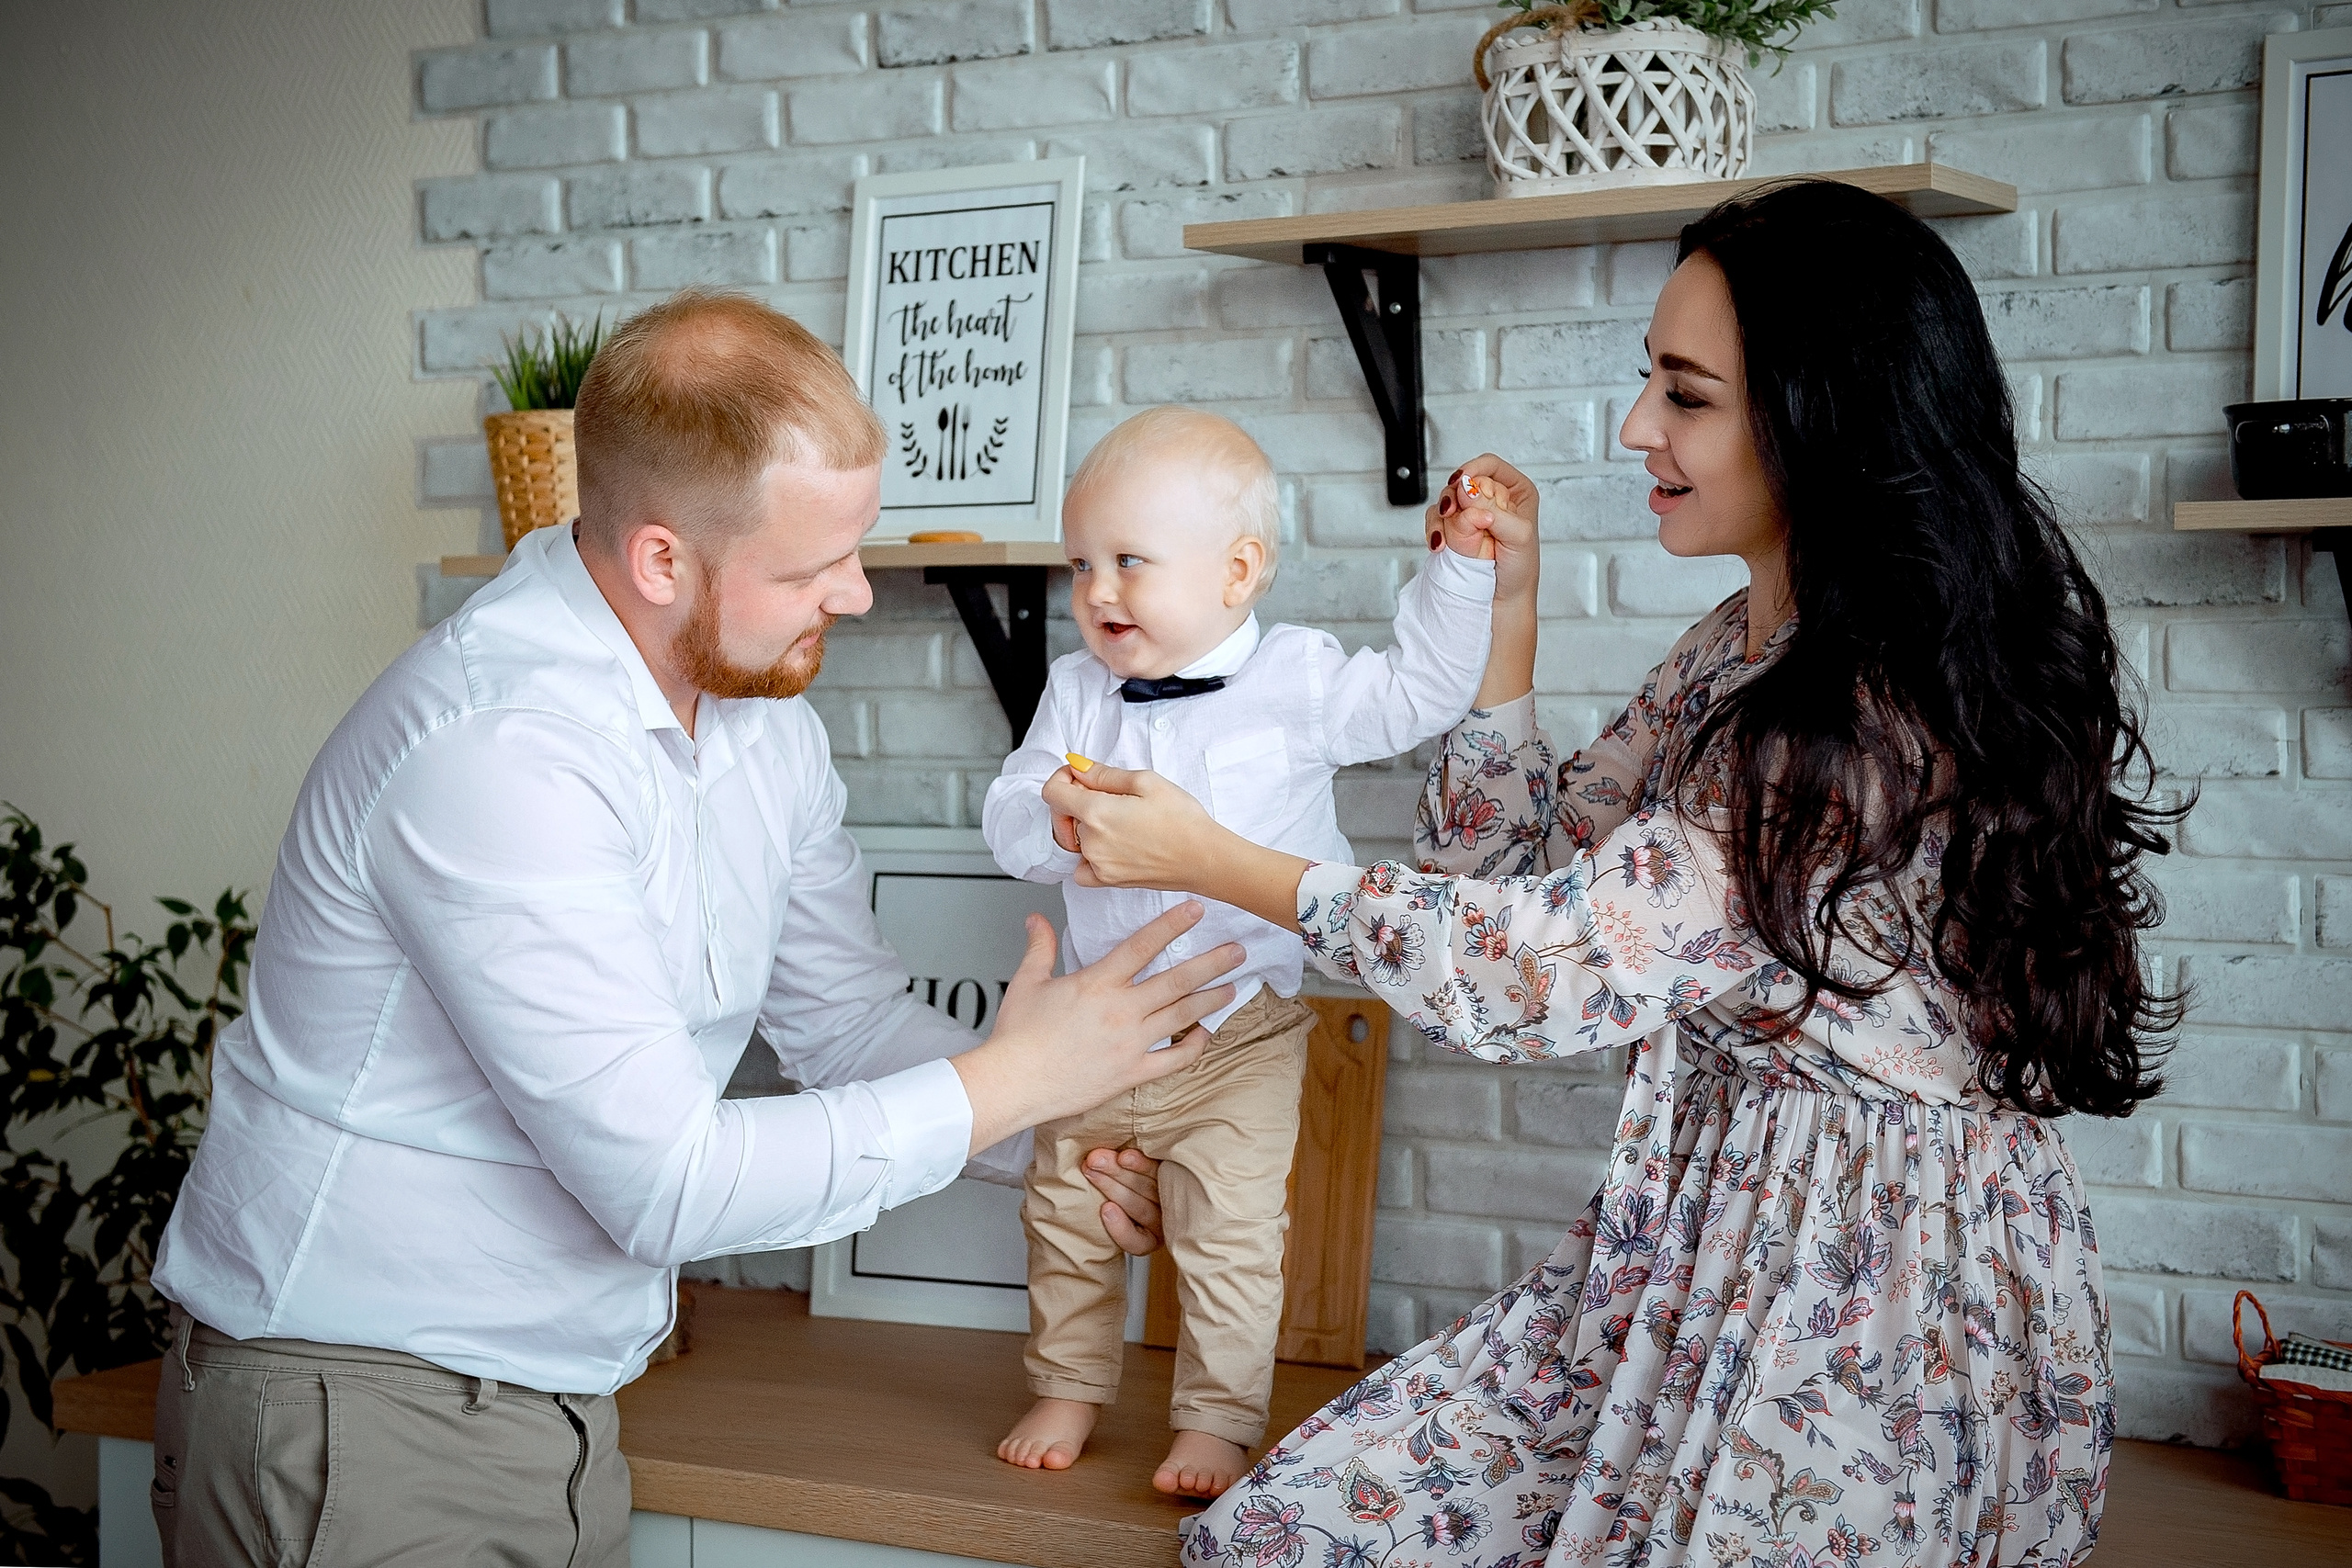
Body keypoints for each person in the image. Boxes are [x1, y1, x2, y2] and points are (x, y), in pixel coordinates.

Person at [1046, 181, 2175, 1567]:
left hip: (1867, 1280)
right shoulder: (1743, 641)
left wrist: (1217, 862)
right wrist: (1506, 610)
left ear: (1820, 415)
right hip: (1697, 1238)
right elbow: (1526, 868)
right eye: (1652, 379)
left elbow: (1539, 971)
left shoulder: (1854, 716)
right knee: (1288, 1529)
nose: (1637, 424)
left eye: (1685, 393)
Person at [144, 290, 1240, 1568]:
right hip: (356, 1412)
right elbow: (664, 1178)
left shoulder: (764, 718)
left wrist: (1063, 1134)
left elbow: (841, 1020)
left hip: (557, 1409)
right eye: (809, 564)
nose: (856, 595)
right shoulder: (500, 748)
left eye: (858, 544)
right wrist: (1012, 1077)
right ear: (662, 558)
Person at [982, 407, 1499, 1497]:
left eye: (1128, 561)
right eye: (1081, 565)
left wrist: (1458, 577)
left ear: (1238, 570)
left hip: (1239, 1038)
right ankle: (1069, 1384)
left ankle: (1217, 1419)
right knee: (1063, 1216)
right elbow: (1010, 806)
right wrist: (1055, 822)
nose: (1098, 592)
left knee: (1229, 1239)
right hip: (1099, 1028)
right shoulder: (1077, 687)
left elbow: (1420, 693)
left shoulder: (1299, 677)